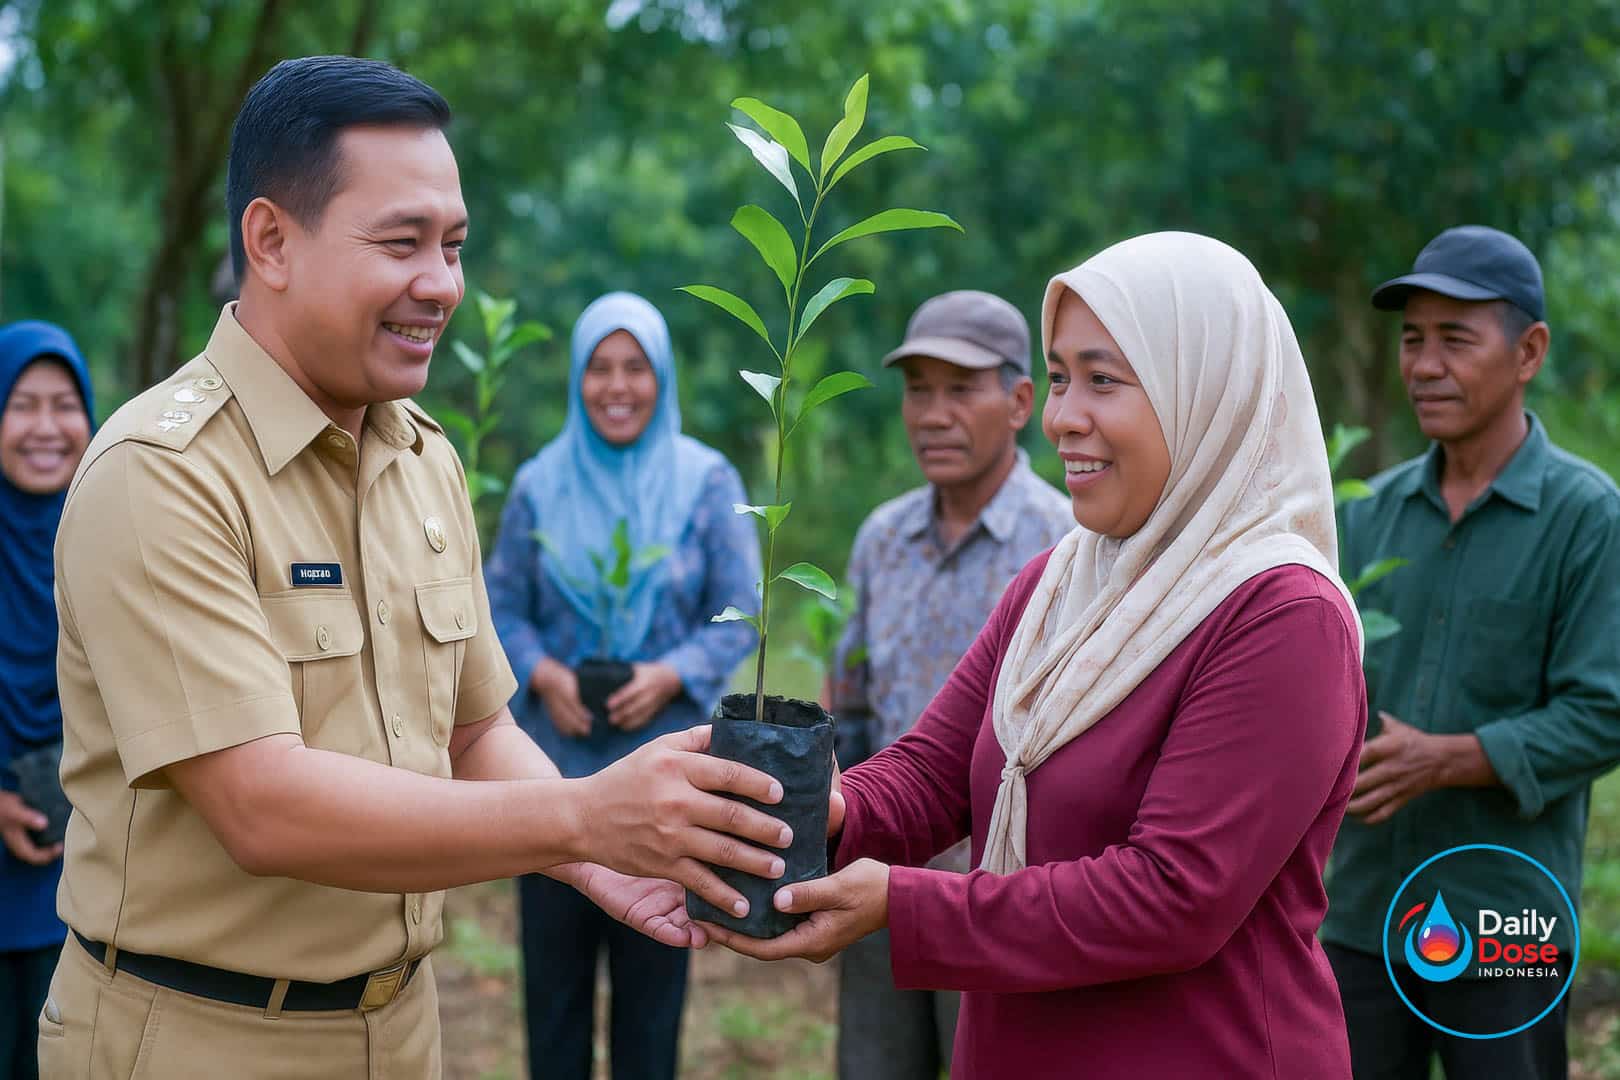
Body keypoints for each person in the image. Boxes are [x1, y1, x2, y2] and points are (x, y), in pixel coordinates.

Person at [40, 56, 793, 1079]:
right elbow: (261, 805)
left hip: (401, 1030)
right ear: (270, 241)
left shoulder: (420, 458)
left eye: (454, 245)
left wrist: (594, 855)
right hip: (199, 1034)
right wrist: (582, 811)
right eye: (402, 243)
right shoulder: (162, 477)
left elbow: (477, 728)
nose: (441, 284)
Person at [700, 232, 1367, 1079]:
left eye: (1105, 380)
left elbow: (1173, 896)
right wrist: (797, 808)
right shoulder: (1057, 583)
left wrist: (903, 905)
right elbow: (931, 776)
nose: (1062, 418)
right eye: (1059, 378)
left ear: (1204, 394)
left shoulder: (1281, 616)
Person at [1322, 225, 1620, 1079]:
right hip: (1364, 910)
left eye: (1455, 339)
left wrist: (1450, 760)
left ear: (1529, 352)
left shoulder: (1586, 518)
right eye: (1412, 339)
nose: (1423, 364)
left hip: (1505, 918)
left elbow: (1605, 709)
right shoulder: (1367, 516)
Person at [485, 291, 761, 1080]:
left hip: (665, 773)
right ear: (576, 379)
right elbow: (500, 604)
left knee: (651, 996)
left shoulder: (706, 481)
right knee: (554, 995)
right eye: (599, 368)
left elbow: (740, 610)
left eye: (635, 367)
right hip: (551, 769)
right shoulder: (541, 482)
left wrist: (669, 671)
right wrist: (540, 672)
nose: (617, 386)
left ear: (661, 375)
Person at [826, 289, 1072, 1079]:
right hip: (879, 876)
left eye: (960, 389)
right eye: (918, 389)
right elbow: (854, 704)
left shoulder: (1069, 544)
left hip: (1006, 895)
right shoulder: (882, 539)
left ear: (1020, 402)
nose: (932, 414)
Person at [0, 321, 93, 1080]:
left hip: (86, 874)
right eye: (21, 405)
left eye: (64, 406)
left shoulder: (115, 537)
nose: (44, 429)